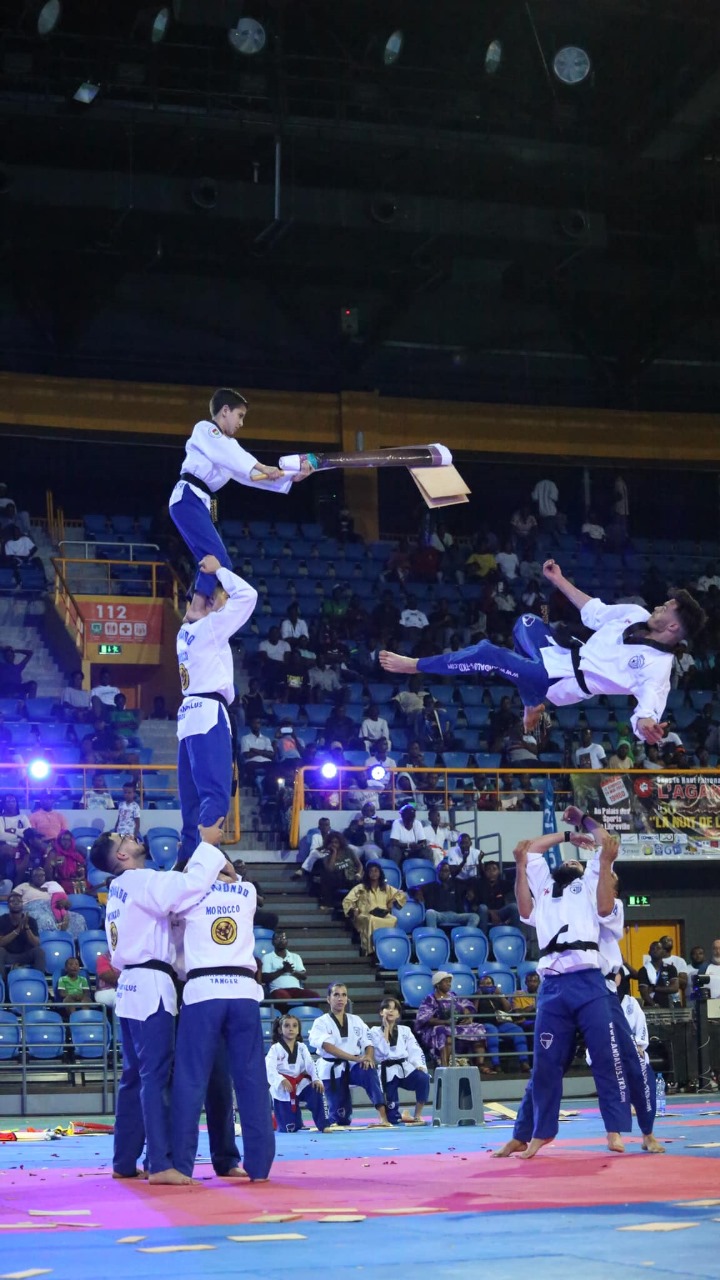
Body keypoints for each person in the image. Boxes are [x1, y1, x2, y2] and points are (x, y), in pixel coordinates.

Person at [380, 562, 706, 742]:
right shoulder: (636, 614)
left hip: (562, 681)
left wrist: (647, 726)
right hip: (560, 655)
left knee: (489, 652)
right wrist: (559, 580)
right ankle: (531, 701)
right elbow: (594, 610)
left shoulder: (657, 669)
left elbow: (647, 711)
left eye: (667, 608)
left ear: (673, 628)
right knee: (526, 621)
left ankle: (416, 666)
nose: (660, 606)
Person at [89, 818, 228, 1184]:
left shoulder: (119, 889)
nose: (133, 837)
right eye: (126, 837)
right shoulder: (138, 879)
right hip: (151, 983)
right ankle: (162, 1164)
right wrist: (208, 846)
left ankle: (123, 1159)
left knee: (134, 1076)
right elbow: (189, 885)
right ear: (122, 854)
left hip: (130, 985)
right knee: (155, 1076)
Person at [502, 829, 652, 1159]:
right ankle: (538, 1133)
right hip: (553, 985)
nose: (570, 860)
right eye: (567, 859)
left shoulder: (589, 888)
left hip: (593, 983)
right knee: (544, 1063)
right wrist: (565, 835)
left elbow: (604, 854)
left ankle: (621, 1129)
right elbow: (530, 855)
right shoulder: (544, 886)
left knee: (611, 1057)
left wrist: (593, 841)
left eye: (576, 860)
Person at [169, 852, 275, 1184]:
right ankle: (259, 1168)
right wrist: (227, 870)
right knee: (252, 1080)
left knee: (190, 1081)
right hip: (243, 992)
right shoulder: (247, 893)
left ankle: (181, 1165)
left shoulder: (187, 895)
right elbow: (232, 875)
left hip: (203, 992)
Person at [168, 387, 310, 614]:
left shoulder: (230, 449)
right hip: (188, 496)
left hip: (203, 502)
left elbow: (251, 476)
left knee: (217, 560)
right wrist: (264, 466)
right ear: (225, 410)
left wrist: (292, 476)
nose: (242, 423)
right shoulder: (205, 429)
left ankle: (194, 608)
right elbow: (234, 457)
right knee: (218, 556)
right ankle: (197, 608)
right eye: (240, 416)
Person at [176, 554, 257, 865]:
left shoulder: (184, 633)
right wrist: (220, 569)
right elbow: (249, 596)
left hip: (190, 714)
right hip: (208, 711)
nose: (225, 604)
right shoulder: (209, 627)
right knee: (216, 794)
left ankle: (187, 856)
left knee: (193, 800)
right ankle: (206, 861)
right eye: (221, 598)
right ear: (210, 603)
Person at [308, 982, 390, 1127]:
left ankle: (383, 1118)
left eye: (344, 995)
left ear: (347, 999)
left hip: (353, 1067)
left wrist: (369, 1057)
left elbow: (368, 1042)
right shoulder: (320, 1022)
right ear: (328, 999)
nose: (340, 998)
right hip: (332, 1070)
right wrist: (356, 1058)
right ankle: (337, 1116)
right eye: (336, 995)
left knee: (369, 1070)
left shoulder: (356, 1020)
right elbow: (328, 1047)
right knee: (341, 1119)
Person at [370, 996, 430, 1125]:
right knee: (393, 1119)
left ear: (398, 1014)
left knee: (423, 1078)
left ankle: (417, 1115)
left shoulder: (405, 1030)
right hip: (387, 1071)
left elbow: (414, 1049)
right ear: (381, 1012)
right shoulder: (374, 1031)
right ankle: (399, 1115)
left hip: (404, 1068)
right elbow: (383, 1052)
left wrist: (418, 1064)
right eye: (387, 1008)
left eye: (394, 1009)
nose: (390, 1011)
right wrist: (386, 1029)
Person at [266, 1013, 329, 1133]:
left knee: (317, 1090)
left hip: (300, 1084)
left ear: (298, 1030)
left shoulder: (301, 1047)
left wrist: (316, 1079)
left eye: (294, 1026)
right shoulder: (275, 1049)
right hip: (283, 1088)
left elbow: (311, 1065)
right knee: (289, 1128)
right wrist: (281, 1080)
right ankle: (280, 1120)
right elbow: (269, 1069)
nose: (291, 1028)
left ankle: (324, 1124)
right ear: (280, 1030)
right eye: (287, 1026)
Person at [415, 971, 488, 1070]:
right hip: (438, 1026)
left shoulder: (453, 995)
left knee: (479, 1028)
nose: (449, 984)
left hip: (457, 1025)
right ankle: (445, 1066)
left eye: (449, 982)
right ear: (437, 984)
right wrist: (445, 1022)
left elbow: (468, 1006)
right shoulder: (430, 998)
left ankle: (481, 1064)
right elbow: (424, 1018)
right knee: (442, 1031)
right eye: (446, 982)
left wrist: (468, 1017)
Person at [341, 862, 406, 957]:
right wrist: (353, 909)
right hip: (365, 915)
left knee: (393, 919)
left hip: (382, 914)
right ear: (367, 873)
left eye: (376, 871)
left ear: (380, 873)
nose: (374, 873)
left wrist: (393, 900)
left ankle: (386, 948)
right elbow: (347, 900)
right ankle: (371, 950)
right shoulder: (360, 888)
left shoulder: (386, 888)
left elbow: (401, 894)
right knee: (371, 920)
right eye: (371, 871)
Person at [476, 973, 531, 1073]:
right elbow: (474, 1012)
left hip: (501, 1023)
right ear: (479, 986)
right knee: (492, 1031)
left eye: (488, 983)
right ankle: (496, 1064)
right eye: (483, 984)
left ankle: (524, 1062)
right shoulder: (475, 996)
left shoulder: (498, 996)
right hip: (484, 1023)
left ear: (493, 985)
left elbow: (508, 1009)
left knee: (518, 1030)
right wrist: (478, 997)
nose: (486, 986)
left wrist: (500, 996)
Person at [261, 930, 320, 1003]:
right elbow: (264, 978)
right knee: (283, 997)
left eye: (284, 938)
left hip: (296, 990)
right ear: (272, 942)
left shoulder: (295, 957)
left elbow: (304, 976)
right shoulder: (267, 957)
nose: (281, 940)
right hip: (278, 989)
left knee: (314, 996)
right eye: (278, 938)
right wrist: (283, 970)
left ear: (287, 941)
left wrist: (292, 971)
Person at [423, 860, 481, 931]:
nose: (443, 873)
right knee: (429, 912)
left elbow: (471, 882)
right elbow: (413, 889)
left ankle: (465, 936)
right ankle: (433, 936)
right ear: (437, 871)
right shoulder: (430, 886)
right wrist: (418, 892)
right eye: (441, 870)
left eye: (446, 871)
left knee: (475, 917)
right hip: (439, 914)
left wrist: (470, 890)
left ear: (449, 872)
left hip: (455, 915)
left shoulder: (456, 884)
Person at [0, 890, 45, 980]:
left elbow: (36, 944)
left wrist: (27, 928)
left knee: (39, 951)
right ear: (8, 905)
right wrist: (17, 930)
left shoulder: (31, 920)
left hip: (26, 955)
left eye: (19, 901)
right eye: (13, 901)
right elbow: (1, 943)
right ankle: (3, 983)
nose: (16, 903)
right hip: (8, 955)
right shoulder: (2, 920)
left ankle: (38, 981)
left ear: (22, 904)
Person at [638, 941, 679, 1009]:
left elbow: (674, 988)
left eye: (658, 948)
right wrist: (654, 1005)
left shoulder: (671, 968)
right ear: (649, 952)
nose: (655, 950)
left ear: (664, 952)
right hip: (650, 1007)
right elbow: (644, 994)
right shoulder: (643, 970)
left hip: (669, 1005)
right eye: (652, 949)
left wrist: (654, 988)